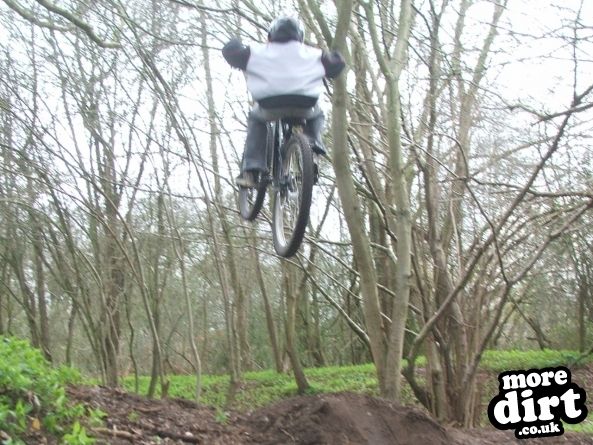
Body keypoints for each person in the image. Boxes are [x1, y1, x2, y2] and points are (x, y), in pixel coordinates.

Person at [222, 16, 346, 187]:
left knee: (256, 119)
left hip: (270, 105)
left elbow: (232, 55)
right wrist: (334, 54)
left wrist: (235, 42)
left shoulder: (257, 52)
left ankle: (252, 170)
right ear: (300, 37)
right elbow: (337, 65)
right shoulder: (314, 54)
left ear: (270, 36)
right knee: (317, 115)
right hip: (304, 104)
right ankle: (312, 148)